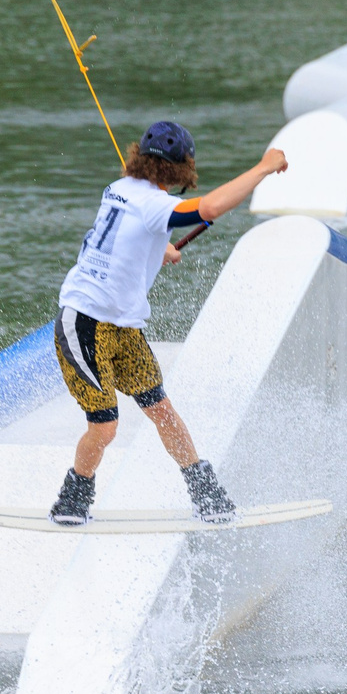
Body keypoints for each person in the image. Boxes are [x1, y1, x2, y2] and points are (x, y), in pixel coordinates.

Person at [48, 121, 287, 526]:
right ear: (183, 169)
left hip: (123, 327)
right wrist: (263, 167)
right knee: (105, 427)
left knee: (161, 410)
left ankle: (204, 492)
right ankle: (73, 498)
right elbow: (209, 209)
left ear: (139, 157)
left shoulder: (118, 188)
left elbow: (123, 235)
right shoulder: (155, 206)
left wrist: (160, 249)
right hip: (83, 322)